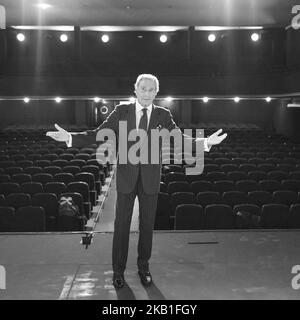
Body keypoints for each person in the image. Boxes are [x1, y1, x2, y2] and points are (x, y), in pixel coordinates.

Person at [46, 74, 227, 289]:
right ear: (136, 90)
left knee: (147, 226)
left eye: (152, 89)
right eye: (144, 88)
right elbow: (98, 134)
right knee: (121, 226)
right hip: (126, 177)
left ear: (156, 93)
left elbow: (179, 139)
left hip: (150, 179)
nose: (147, 93)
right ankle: (118, 271)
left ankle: (144, 268)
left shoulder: (163, 115)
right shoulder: (121, 112)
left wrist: (205, 142)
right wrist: (70, 138)